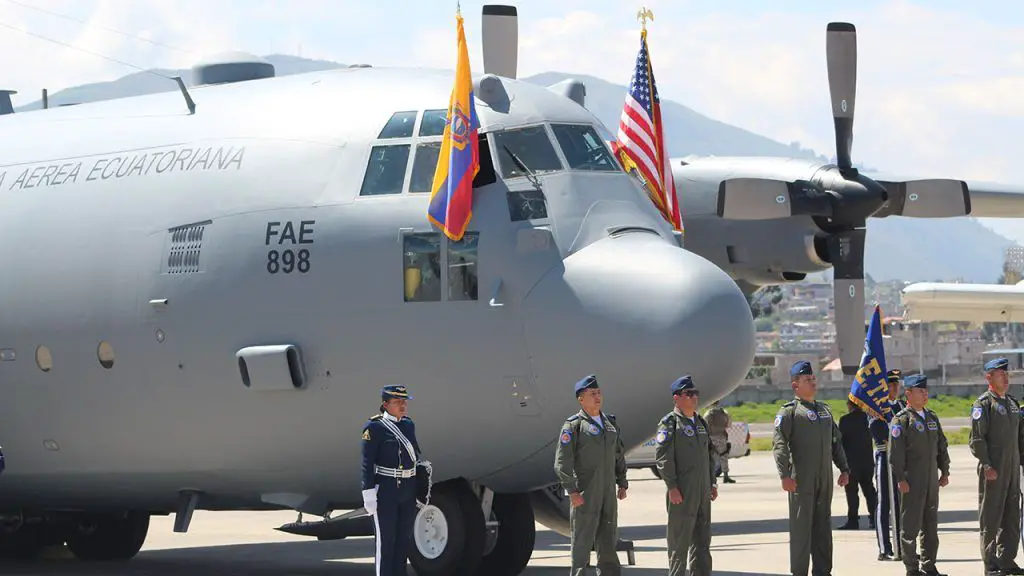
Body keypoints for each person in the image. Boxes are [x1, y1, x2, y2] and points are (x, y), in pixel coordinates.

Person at [772, 360, 850, 576]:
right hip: (801, 480)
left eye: (813, 378)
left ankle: (823, 571)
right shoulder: (789, 412)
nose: (813, 382)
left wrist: (844, 469)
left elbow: (836, 442)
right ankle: (799, 572)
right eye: (807, 379)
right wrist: (784, 475)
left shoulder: (824, 411)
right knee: (801, 530)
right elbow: (779, 444)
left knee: (823, 528)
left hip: (824, 479)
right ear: (795, 385)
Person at [554, 374, 629, 576]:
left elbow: (618, 453)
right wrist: (572, 491)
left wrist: (622, 482)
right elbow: (562, 462)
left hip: (608, 491)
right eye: (592, 393)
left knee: (608, 537)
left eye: (599, 392)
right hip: (586, 492)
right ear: (581, 399)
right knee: (582, 540)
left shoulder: (610, 423)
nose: (597, 397)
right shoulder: (574, 426)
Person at [655, 375, 718, 576]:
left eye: (695, 393)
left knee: (703, 542)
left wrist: (712, 483)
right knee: (679, 542)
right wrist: (672, 487)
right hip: (682, 491)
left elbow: (709, 455)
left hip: (702, 491)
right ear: (676, 398)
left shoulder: (700, 422)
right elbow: (663, 458)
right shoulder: (670, 423)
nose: (694, 397)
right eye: (688, 393)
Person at [889, 373, 950, 576]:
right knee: (910, 526)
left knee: (931, 526)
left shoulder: (931, 417)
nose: (925, 394)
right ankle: (912, 568)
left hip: (931, 481)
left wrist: (945, 471)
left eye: (926, 391)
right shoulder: (902, 420)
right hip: (912, 481)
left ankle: (929, 565)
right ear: (908, 394)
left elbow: (941, 446)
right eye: (920, 391)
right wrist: (900, 478)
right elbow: (895, 453)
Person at [361, 385, 426, 576]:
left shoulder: (408, 425)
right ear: (385, 404)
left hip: (407, 489)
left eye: (404, 401)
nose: (403, 406)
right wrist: (368, 493)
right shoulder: (374, 427)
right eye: (397, 402)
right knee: (385, 543)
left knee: (403, 542)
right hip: (386, 490)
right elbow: (367, 462)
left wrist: (419, 487)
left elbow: (413, 457)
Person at [969, 357, 1024, 576]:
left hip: (1012, 470)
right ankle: (990, 564)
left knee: (1012, 516)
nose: (1006, 378)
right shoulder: (983, 404)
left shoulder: (1012, 403)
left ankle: (1007, 560)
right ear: (989, 377)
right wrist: (987, 464)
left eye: (1007, 374)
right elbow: (977, 439)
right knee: (991, 517)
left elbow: (1019, 438)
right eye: (1001, 374)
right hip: (993, 470)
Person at [871, 368, 907, 560]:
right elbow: (877, 430)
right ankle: (885, 548)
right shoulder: (877, 408)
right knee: (884, 502)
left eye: (896, 384)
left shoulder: (902, 406)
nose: (894, 388)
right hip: (885, 457)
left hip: (902, 459)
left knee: (902, 504)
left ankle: (903, 546)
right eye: (890, 385)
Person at [838, 400, 878, 530]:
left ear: (850, 405)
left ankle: (853, 520)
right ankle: (875, 518)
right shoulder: (868, 419)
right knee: (869, 490)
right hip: (867, 461)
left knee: (851, 492)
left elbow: (840, 441)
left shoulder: (845, 420)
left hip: (851, 462)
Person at [704, 400, 735, 484]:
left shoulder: (708, 413)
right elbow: (729, 424)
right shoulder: (724, 413)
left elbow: (705, 425)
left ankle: (711, 478)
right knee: (724, 456)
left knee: (711, 458)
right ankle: (726, 475)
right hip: (721, 436)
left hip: (711, 436)